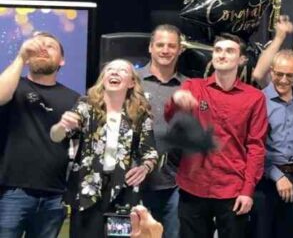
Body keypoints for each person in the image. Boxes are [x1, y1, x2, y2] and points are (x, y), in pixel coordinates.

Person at [164, 33, 267, 238]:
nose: (222, 55)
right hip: (193, 185)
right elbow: (171, 119)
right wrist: (175, 101)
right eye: (218, 50)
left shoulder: (254, 98)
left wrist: (247, 190)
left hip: (232, 188)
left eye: (229, 51)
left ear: (241, 59)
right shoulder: (193, 87)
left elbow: (256, 147)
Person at [51, 59, 159, 237]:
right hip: (87, 188)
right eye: (110, 69)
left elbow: (150, 152)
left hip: (124, 190)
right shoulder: (85, 105)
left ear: (132, 83)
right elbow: (56, 136)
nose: (114, 72)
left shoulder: (140, 113)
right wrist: (62, 126)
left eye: (122, 70)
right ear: (103, 78)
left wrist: (145, 167)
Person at [0, 32, 81, 238]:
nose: (43, 49)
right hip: (10, 192)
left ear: (62, 60)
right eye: (38, 46)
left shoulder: (74, 99)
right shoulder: (13, 86)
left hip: (54, 195)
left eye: (50, 46)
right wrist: (21, 56)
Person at [251, 47, 293, 238]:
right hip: (264, 182)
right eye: (279, 74)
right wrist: (277, 176)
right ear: (271, 71)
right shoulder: (258, 100)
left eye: (289, 75)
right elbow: (252, 146)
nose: (283, 80)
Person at [138, 25, 186, 238]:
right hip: (134, 180)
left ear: (180, 49)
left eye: (171, 46)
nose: (165, 50)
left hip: (175, 182)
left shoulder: (189, 87)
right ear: (150, 47)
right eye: (160, 45)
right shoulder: (132, 81)